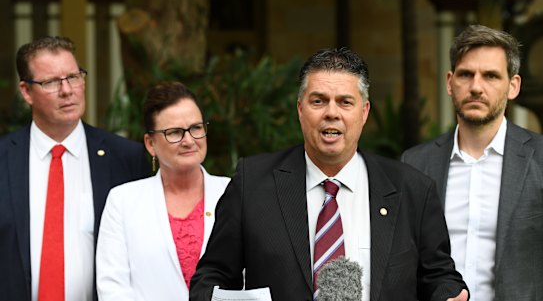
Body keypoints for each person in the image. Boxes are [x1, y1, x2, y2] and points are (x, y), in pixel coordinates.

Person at [190, 47, 468, 301]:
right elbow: (210, 278)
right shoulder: (252, 184)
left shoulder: (412, 190)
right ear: (300, 109)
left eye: (345, 102)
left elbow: (439, 277)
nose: (331, 113)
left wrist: (448, 295)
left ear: (364, 112)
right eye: (318, 101)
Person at [0, 36, 151, 301]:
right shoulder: (4, 158)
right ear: (26, 91)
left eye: (74, 76)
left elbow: (143, 251)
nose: (67, 90)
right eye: (51, 82)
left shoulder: (126, 158)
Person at [401, 24, 543, 301]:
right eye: (466, 75)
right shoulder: (416, 163)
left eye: (491, 76)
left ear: (513, 86)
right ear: (450, 82)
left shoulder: (540, 159)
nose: (476, 87)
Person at [96, 81, 230, 300]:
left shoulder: (233, 193)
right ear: (150, 144)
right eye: (175, 132)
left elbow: (250, 276)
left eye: (196, 128)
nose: (189, 140)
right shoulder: (122, 202)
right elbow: (113, 289)